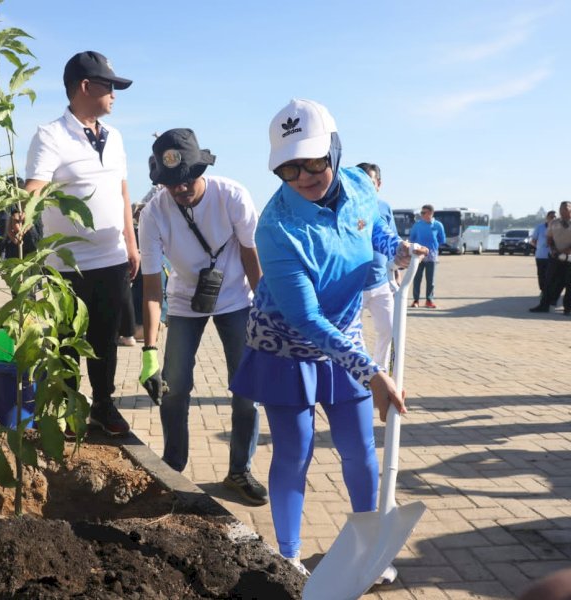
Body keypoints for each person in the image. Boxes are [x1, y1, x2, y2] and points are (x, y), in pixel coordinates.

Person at [229, 99, 424, 574]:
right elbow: (306, 318)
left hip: (346, 339)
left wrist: (395, 248)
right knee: (295, 451)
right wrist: (372, 371)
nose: (305, 176)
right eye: (290, 168)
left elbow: (372, 228)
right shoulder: (276, 229)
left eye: (314, 161)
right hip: (286, 347)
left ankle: (368, 548)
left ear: (335, 150)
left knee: (359, 448)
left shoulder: (358, 183)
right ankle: (289, 556)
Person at [137, 128, 267, 505]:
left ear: (201, 168)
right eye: (170, 183)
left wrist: (265, 314)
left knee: (246, 391)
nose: (180, 189)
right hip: (182, 302)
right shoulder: (153, 213)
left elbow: (251, 258)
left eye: (187, 179)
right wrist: (148, 350)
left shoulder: (233, 196)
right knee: (174, 388)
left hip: (236, 300)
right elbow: (150, 286)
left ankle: (239, 470)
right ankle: (173, 466)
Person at [24, 50, 139, 436]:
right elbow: (34, 189)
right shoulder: (50, 135)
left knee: (105, 340)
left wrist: (132, 244)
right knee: (67, 342)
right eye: (110, 87)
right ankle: (69, 411)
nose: (115, 95)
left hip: (112, 258)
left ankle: (103, 406)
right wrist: (19, 218)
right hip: (67, 265)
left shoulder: (116, 137)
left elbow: (123, 193)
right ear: (85, 87)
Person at [357, 162, 396, 371]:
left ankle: (379, 369)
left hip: (381, 282)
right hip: (354, 286)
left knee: (388, 328)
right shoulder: (347, 207)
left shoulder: (384, 208)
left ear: (378, 184)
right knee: (352, 333)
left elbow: (393, 242)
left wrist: (396, 273)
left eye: (370, 182)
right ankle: (362, 371)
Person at [530, 201, 571, 315]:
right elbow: (549, 238)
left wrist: (564, 251)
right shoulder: (554, 223)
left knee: (569, 284)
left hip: (569, 259)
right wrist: (553, 250)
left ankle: (568, 308)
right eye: (561, 209)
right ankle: (544, 305)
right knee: (549, 282)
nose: (563, 211)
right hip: (555, 258)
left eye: (566, 209)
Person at [408, 204, 445, 308]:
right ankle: (415, 301)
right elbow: (412, 238)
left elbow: (442, 239)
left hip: (432, 256)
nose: (422, 215)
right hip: (418, 256)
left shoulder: (438, 225)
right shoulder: (417, 225)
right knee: (417, 279)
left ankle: (429, 300)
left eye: (424, 213)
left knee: (431, 280)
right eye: (421, 213)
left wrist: (433, 247)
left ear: (431, 213)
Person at [530, 210, 556, 294]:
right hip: (541, 256)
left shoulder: (559, 228)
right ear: (547, 218)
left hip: (553, 256)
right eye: (551, 217)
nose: (553, 219)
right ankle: (543, 290)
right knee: (541, 275)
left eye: (555, 217)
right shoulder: (539, 227)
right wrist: (540, 246)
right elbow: (533, 241)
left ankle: (549, 291)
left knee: (552, 275)